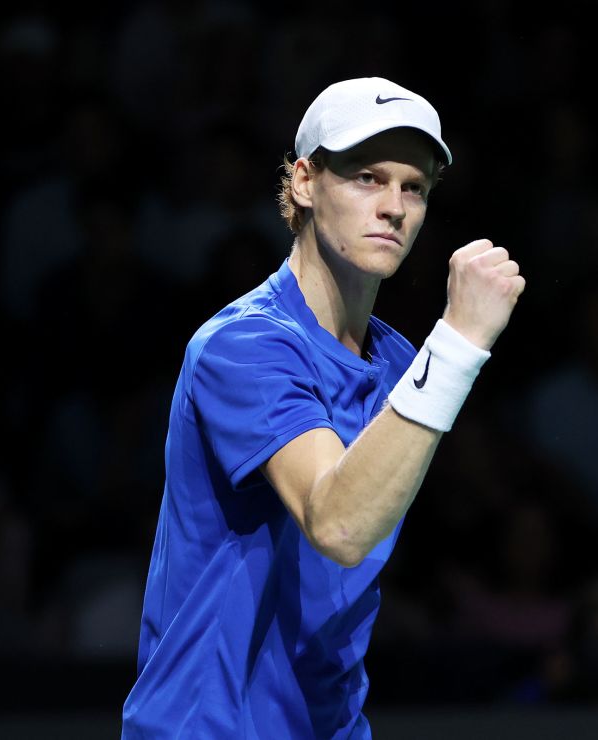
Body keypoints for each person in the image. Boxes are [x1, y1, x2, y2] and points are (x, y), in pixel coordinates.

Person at [120, 77, 525, 738]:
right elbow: (337, 524)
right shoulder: (242, 347)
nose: (393, 207)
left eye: (413, 186)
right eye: (367, 177)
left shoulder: (400, 368)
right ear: (305, 183)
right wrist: (456, 344)